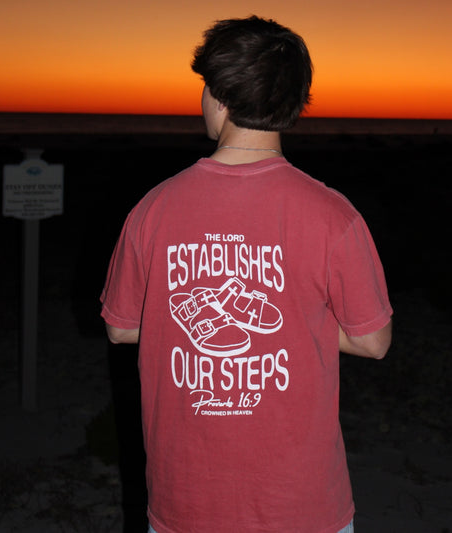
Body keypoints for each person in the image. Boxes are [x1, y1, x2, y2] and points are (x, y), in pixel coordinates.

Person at [101, 15, 392, 533]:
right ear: (294, 103)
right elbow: (373, 341)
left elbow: (122, 327)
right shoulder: (333, 215)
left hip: (186, 501)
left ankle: (211, 307)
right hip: (301, 506)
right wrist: (299, 323)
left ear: (219, 97)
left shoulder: (153, 208)